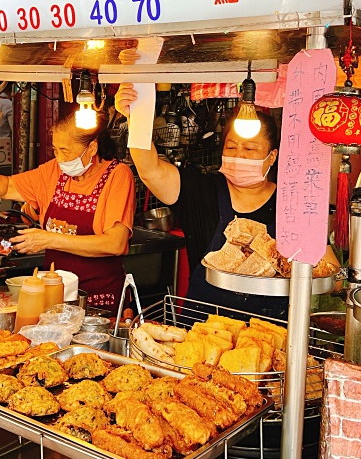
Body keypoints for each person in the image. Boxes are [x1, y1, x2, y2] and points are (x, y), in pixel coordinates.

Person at [116, 83, 287, 318]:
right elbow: (150, 170)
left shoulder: (290, 203)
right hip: (201, 332)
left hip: (269, 335)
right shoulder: (201, 190)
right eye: (231, 146)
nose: (238, 155)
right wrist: (136, 115)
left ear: (272, 156)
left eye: (249, 148)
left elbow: (326, 271)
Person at [0, 111, 135, 309]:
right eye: (55, 150)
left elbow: (115, 243)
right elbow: (7, 186)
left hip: (99, 300)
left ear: (92, 148)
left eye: (65, 151)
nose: (60, 158)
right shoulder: (55, 171)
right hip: (55, 297)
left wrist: (49, 239)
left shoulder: (118, 176)